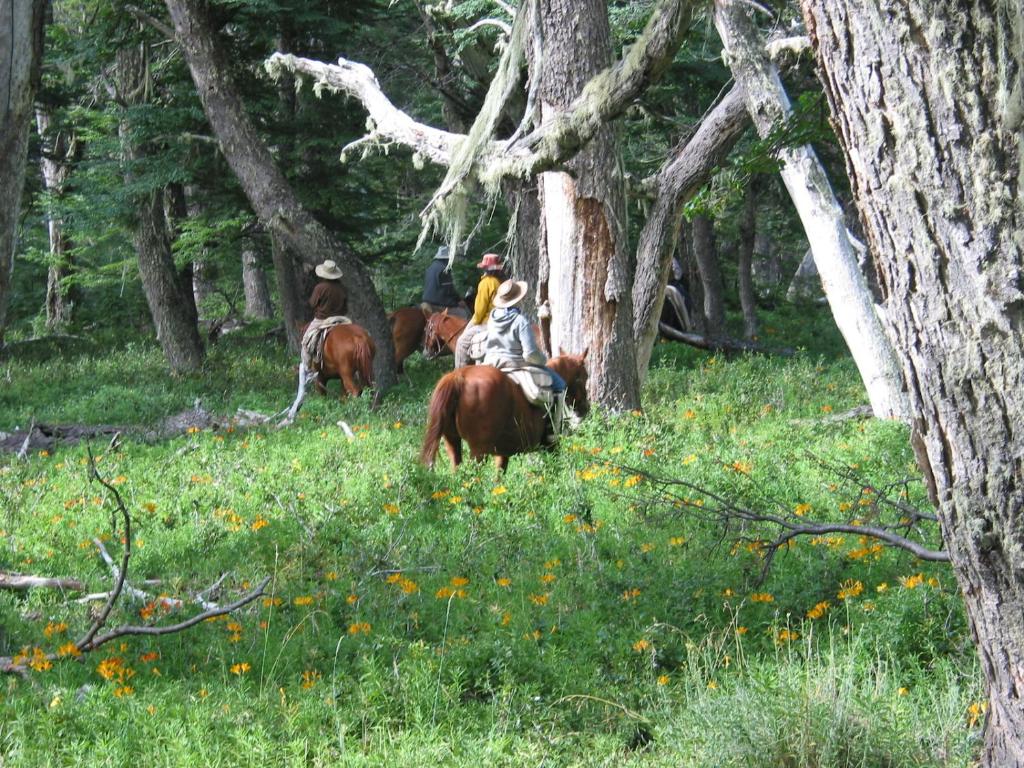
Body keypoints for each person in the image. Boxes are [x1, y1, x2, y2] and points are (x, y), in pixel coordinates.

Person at [483, 279, 567, 443]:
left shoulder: (492, 318)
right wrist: (543, 360)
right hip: (515, 364)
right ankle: (553, 432)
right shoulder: (520, 320)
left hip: (491, 363)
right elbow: (530, 354)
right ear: (518, 298)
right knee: (559, 384)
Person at [454, 252, 505, 367]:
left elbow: (479, 312)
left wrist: (472, 324)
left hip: (488, 323)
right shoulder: (499, 282)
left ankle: (460, 373)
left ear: (485, 268)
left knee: (461, 342)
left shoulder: (485, 283)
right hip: (501, 319)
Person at [301, 259, 349, 375]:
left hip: (321, 320)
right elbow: (345, 308)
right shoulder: (342, 288)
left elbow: (312, 304)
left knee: (306, 342)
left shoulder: (320, 287)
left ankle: (308, 369)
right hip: (341, 319)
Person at [421, 246, 469, 318]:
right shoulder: (444, 269)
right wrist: (458, 301)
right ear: (448, 258)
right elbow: (448, 289)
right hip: (439, 303)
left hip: (426, 301)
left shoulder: (430, 267)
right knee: (464, 314)